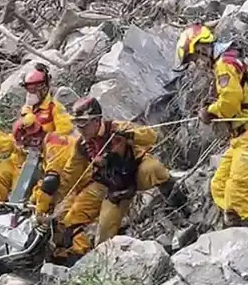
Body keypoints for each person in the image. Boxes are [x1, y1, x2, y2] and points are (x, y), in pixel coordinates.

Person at [53, 97, 185, 260]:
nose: (80, 129)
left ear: (96, 120)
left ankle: (182, 208)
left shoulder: (117, 128)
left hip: (136, 172)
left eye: (83, 123)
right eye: (77, 123)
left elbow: (151, 136)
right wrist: (51, 197)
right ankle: (103, 261)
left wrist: (131, 135)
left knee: (154, 169)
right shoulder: (81, 146)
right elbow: (70, 175)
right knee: (103, 233)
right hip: (113, 187)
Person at [177, 24, 248, 227]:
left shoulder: (225, 64)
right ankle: (239, 223)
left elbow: (230, 103)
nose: (197, 64)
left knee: (236, 196)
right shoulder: (230, 59)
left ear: (202, 48)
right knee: (219, 186)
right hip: (244, 136)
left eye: (195, 59)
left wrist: (209, 112)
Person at [0, 112, 75, 208]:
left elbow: (51, 181)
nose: (26, 149)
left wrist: (39, 207)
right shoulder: (49, 142)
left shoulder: (54, 147)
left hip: (76, 187)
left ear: (34, 140)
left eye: (26, 145)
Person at [19, 63, 74, 136]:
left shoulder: (54, 106)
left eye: (34, 89)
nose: (30, 93)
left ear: (44, 88)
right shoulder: (27, 109)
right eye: (29, 89)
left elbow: (65, 132)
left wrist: (46, 140)